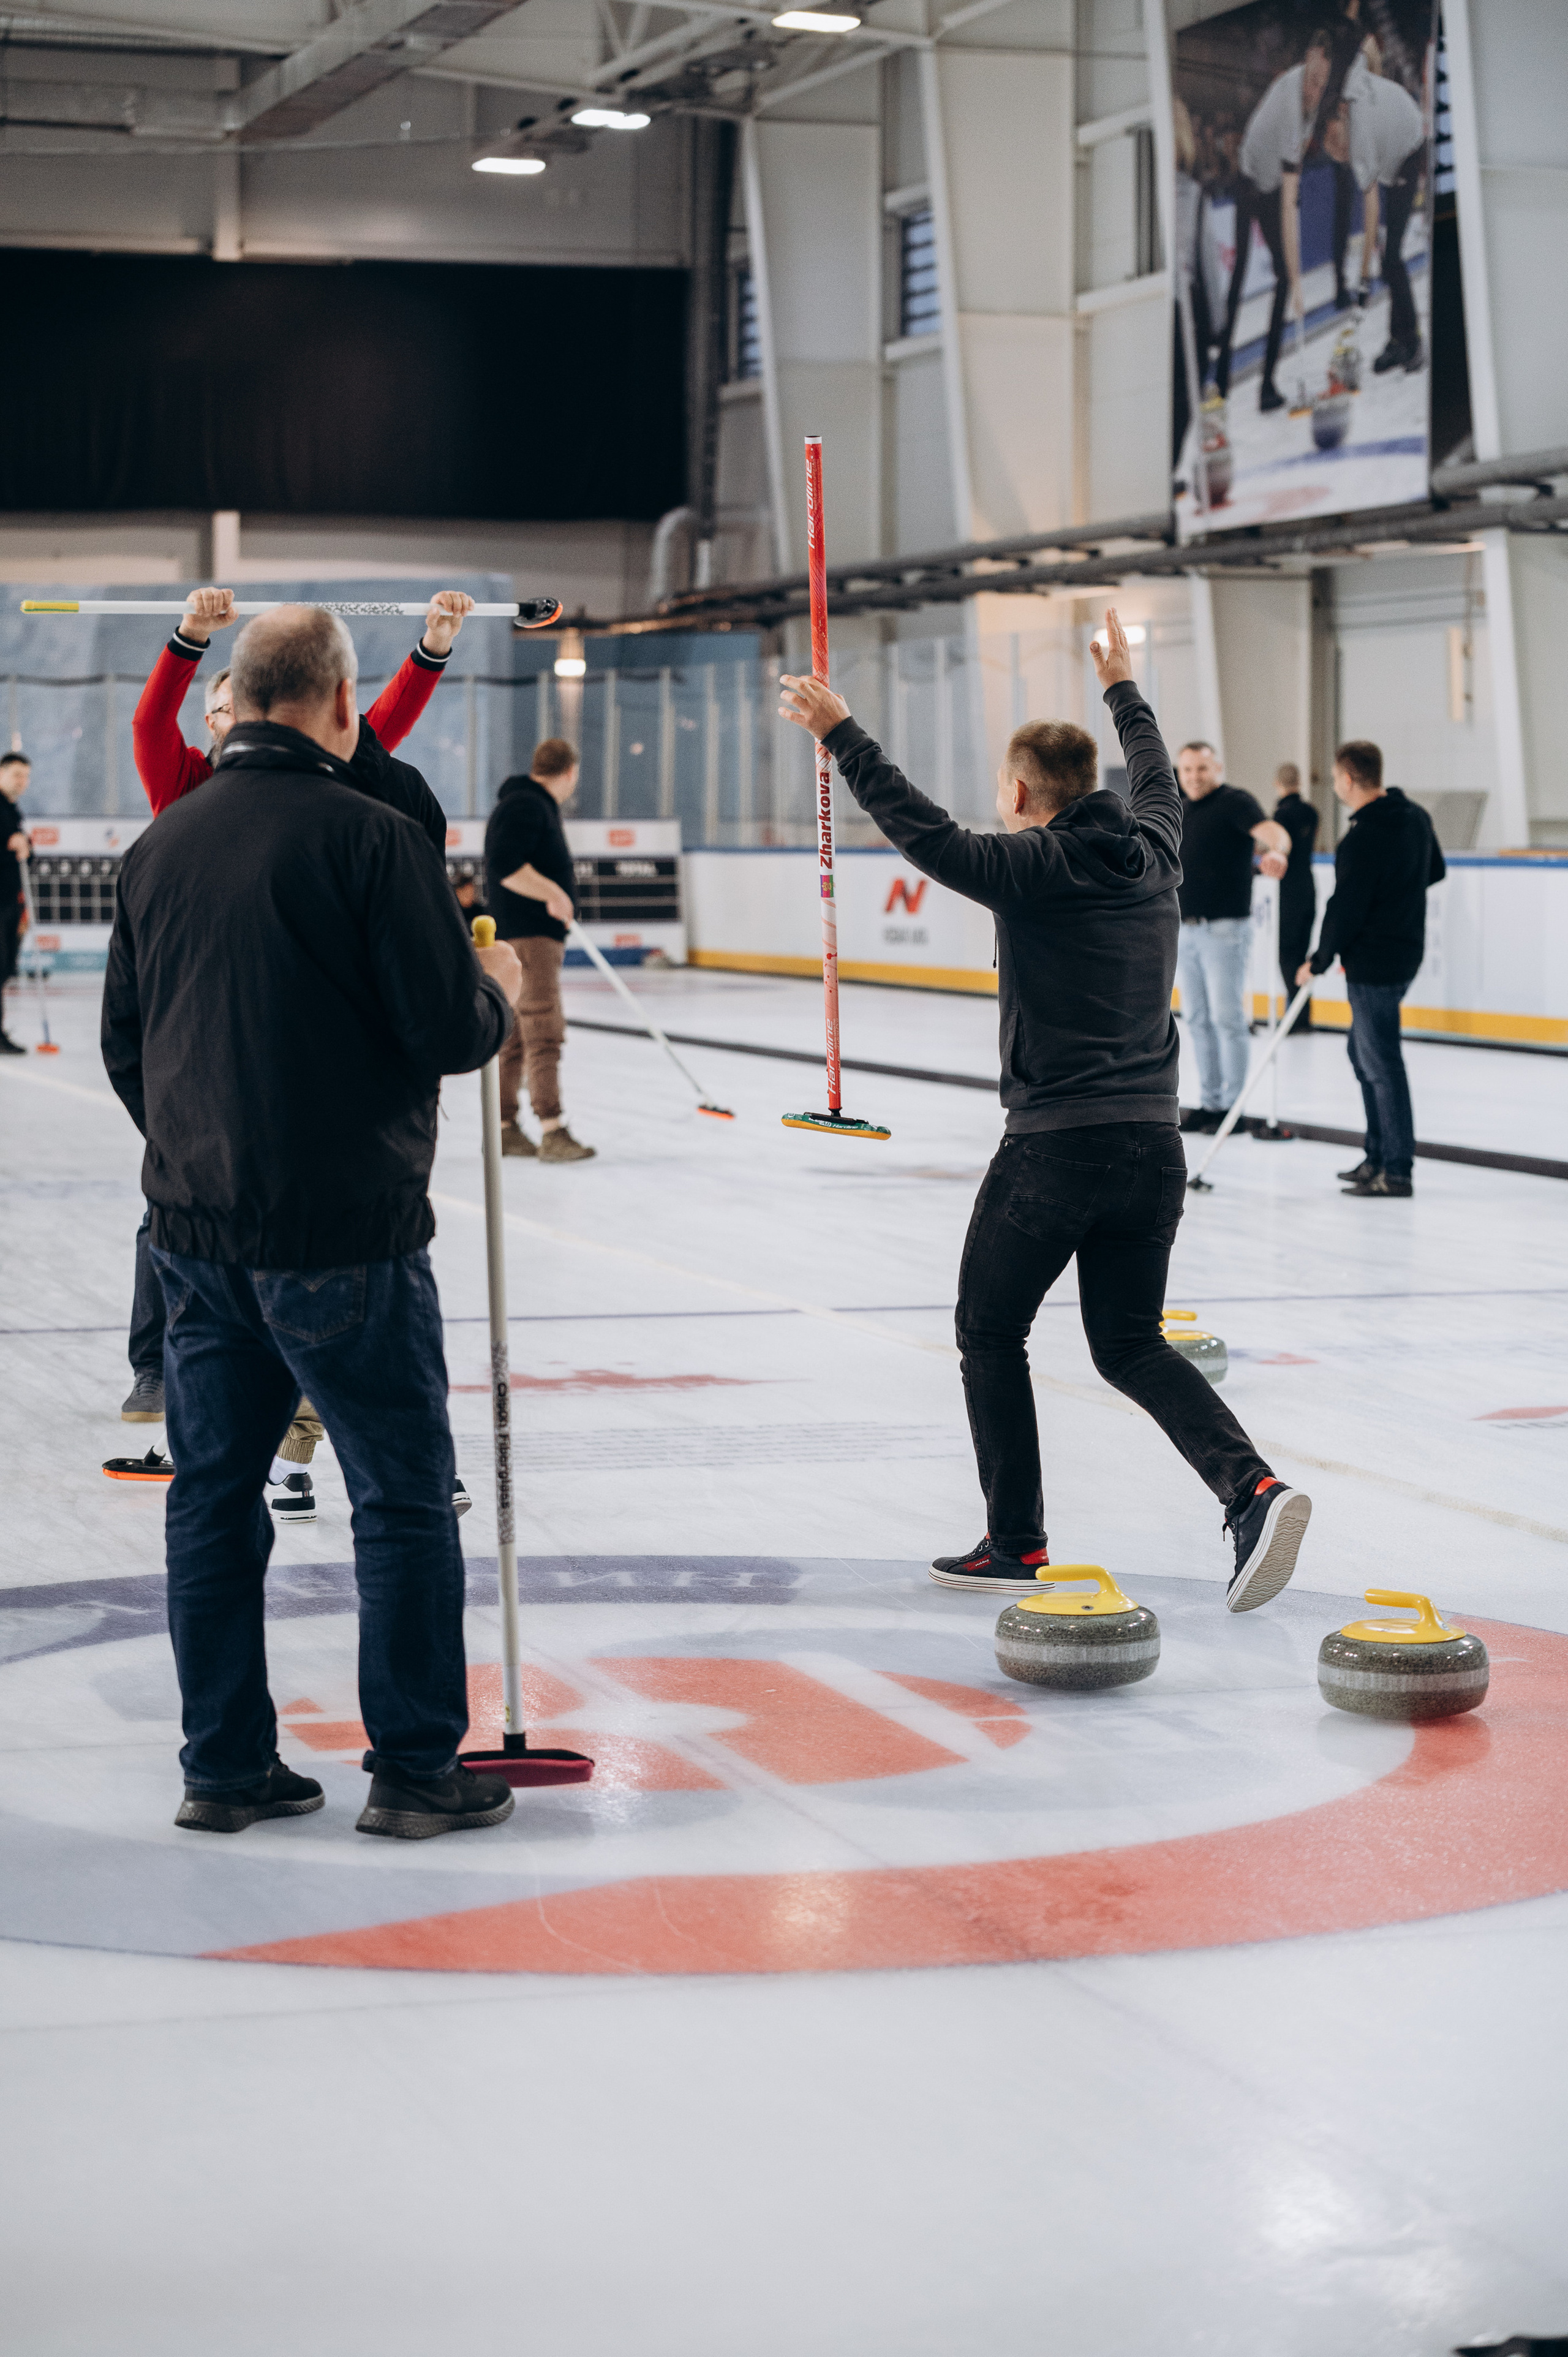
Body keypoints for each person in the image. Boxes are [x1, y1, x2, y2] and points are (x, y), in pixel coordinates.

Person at [778, 610, 1313, 1616]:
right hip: (1154, 1147)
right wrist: (1122, 683)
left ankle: (1016, 1540)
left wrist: (841, 732)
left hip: (1057, 1149)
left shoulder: (1031, 869)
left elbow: (924, 833)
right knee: (1129, 1340)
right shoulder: (1158, 850)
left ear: (1020, 793)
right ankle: (1251, 1488)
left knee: (989, 1328)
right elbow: (1153, 773)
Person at [102, 603, 525, 1838]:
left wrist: (194, 1149)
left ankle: (224, 1766)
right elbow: (446, 1033)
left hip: (193, 1229)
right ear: (343, 706)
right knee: (398, 1491)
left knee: (212, 1492)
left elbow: (132, 1047)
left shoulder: (161, 843)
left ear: (234, 701)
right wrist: (491, 987)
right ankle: (410, 1768)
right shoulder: (373, 838)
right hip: (346, 1229)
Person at [119, 585, 473, 1433]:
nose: (222, 715)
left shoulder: (326, 796)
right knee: (174, 1218)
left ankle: (296, 1395)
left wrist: (431, 648)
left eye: (228, 699)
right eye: (214, 706)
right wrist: (189, 640)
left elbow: (374, 724)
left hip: (288, 1037)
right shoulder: (185, 789)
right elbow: (147, 724)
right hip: (207, 1032)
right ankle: (154, 1368)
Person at [1298, 738, 1444, 1198]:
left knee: (1381, 1064)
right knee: (1362, 1055)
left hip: (1375, 963)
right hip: (1404, 954)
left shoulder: (1360, 839)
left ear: (1346, 778)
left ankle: (1396, 1169)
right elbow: (1435, 870)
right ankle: (1376, 1155)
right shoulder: (1416, 817)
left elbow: (1345, 910)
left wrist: (1319, 960)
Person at [483, 736, 595, 1163]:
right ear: (570, 772)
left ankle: (505, 1127)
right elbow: (505, 864)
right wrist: (554, 892)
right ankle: (553, 1128)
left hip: (521, 936)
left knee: (513, 1034)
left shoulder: (523, 803)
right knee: (542, 1027)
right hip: (530, 938)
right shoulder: (528, 806)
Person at [1215, 30, 1333, 412]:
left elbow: (1289, 196)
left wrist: (1293, 279)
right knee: (1238, 287)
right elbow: (1288, 208)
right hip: (1249, 183)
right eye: (1315, 80)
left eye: (1324, 85)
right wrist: (1300, 283)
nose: (1317, 90)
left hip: (1270, 188)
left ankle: (1266, 386)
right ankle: (1218, 384)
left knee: (1282, 279)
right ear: (1310, 57)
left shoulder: (1311, 102)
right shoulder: (1288, 105)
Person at [1175, 742, 1291, 1130]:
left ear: (1217, 768)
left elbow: (1274, 832)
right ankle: (1209, 1103)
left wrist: (1278, 852)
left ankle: (1232, 1108)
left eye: (1201, 769)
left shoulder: (1235, 802)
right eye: (1187, 769)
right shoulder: (1179, 805)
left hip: (1224, 931)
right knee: (1196, 1019)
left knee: (1227, 1019)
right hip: (1184, 930)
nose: (1193, 777)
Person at [1323, 62, 1428, 375]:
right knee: (1391, 259)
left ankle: (1413, 342)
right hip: (1396, 158)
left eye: (1341, 148)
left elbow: (1372, 215)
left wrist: (1364, 279)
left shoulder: (1360, 143)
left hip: (1410, 152)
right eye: (1338, 156)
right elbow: (1367, 50)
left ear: (1339, 119)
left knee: (1392, 257)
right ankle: (1397, 340)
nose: (1343, 156)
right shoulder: (1352, 86)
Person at [1272, 762, 1320, 1031]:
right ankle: (1303, 1015)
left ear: (1278, 784)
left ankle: (1295, 1018)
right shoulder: (1312, 812)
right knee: (1301, 955)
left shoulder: (1281, 815)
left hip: (1289, 891)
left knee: (1287, 956)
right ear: (1299, 782)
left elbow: (1281, 852)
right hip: (1309, 886)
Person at [1, 752, 31, 1056]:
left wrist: (25, 846)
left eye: (26, 777)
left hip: (10, 901)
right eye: (17, 775)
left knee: (6, 967)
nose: (23, 782)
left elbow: (24, 856)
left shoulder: (12, 810)